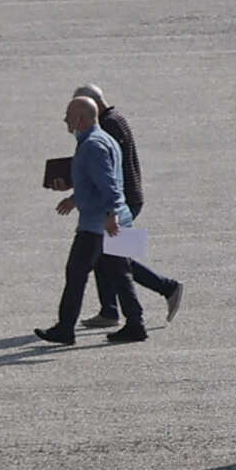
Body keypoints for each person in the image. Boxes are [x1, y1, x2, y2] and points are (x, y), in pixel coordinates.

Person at [34, 94, 146, 346]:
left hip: (98, 225)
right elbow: (100, 183)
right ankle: (136, 324)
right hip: (119, 218)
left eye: (69, 115)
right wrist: (75, 196)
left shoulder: (92, 145)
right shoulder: (102, 139)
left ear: (81, 118)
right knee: (121, 273)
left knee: (76, 273)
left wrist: (110, 216)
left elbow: (108, 186)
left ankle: (65, 329)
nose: (65, 119)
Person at [74, 82, 184, 329]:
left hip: (121, 201)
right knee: (108, 256)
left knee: (116, 257)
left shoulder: (108, 124)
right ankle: (110, 310)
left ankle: (167, 287)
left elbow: (103, 167)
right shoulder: (116, 118)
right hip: (127, 197)